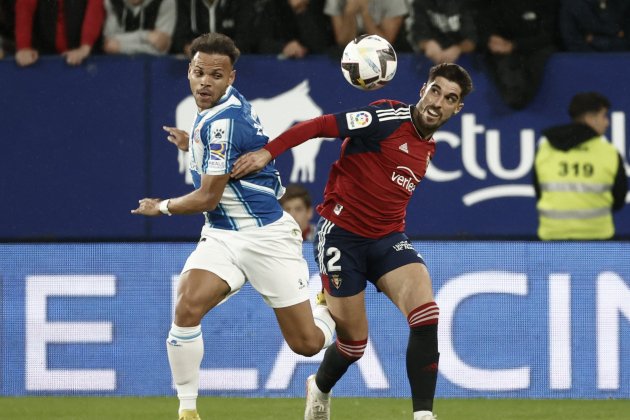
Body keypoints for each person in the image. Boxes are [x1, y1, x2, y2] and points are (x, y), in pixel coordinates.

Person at [232, 62, 474, 420]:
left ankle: (423, 415)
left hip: (387, 239)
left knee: (426, 315)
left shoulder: (428, 148)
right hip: (341, 237)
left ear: (457, 108)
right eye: (435, 90)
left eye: (449, 98)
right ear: (423, 88)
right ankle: (319, 388)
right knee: (354, 344)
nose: (438, 102)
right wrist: (270, 151)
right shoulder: (387, 117)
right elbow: (319, 125)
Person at [131, 33, 336, 420]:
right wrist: (190, 142)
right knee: (187, 304)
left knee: (307, 345)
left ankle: (326, 307)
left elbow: (207, 197)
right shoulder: (213, 112)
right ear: (189, 72)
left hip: (266, 237)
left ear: (232, 78)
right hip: (223, 235)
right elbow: (218, 154)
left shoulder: (223, 121)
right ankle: (187, 410)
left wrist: (162, 207)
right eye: (198, 72)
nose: (205, 82)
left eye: (216, 75)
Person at [533, 92, 628, 240]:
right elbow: (619, 199)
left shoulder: (544, 148)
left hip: (552, 239)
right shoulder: (609, 152)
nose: (607, 122)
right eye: (603, 116)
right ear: (590, 119)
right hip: (598, 239)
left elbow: (539, 192)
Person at [477, 0, 559, 109]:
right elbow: (482, 24)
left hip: (535, 49)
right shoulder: (493, 5)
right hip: (502, 49)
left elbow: (550, 35)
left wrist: (515, 45)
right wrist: (490, 38)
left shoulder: (546, 4)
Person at [14, 0, 104, 67]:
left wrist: (85, 47)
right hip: (42, 54)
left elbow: (95, 7)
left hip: (86, 53)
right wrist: (23, 46)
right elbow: (24, 8)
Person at [324, 0, 411, 55]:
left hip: (385, 54)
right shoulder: (336, 1)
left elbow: (384, 44)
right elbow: (343, 42)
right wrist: (349, 13)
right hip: (349, 54)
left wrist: (365, 14)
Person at [407, 0, 478, 64]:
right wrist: (427, 44)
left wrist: (458, 49)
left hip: (468, 59)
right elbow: (418, 32)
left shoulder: (466, 3)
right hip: (432, 60)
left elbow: (472, 38)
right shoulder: (420, 3)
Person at [102, 0, 176, 55]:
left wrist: (121, 47)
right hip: (116, 65)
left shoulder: (166, 2)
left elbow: (162, 46)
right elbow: (109, 43)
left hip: (156, 66)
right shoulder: (111, 2)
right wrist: (146, 36)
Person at [559, 0, 630, 52]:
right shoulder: (570, 4)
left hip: (622, 59)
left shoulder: (625, 4)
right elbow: (571, 42)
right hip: (582, 61)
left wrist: (593, 40)